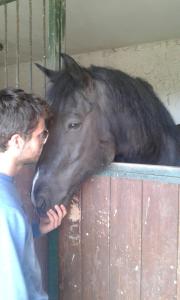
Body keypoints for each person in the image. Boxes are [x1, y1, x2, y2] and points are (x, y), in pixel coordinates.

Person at [0, 88, 67, 300]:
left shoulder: (6, 186)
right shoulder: (5, 209)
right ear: (17, 141)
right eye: (41, 135)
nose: (44, 142)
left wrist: (37, 228)